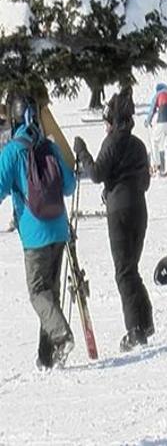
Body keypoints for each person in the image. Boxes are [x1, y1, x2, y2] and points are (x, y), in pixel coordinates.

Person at [73, 87, 155, 352]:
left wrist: (82, 152)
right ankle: (145, 322)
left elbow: (96, 173)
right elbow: (145, 181)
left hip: (119, 211)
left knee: (124, 272)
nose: (105, 126)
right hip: (139, 208)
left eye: (106, 121)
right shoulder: (138, 144)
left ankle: (135, 331)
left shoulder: (113, 142)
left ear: (113, 121)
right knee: (131, 268)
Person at [0, 93, 77, 369]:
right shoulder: (49, 146)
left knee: (37, 292)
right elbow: (69, 185)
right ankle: (47, 357)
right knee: (50, 294)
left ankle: (61, 335)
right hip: (59, 228)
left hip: (35, 234)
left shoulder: (12, 150)